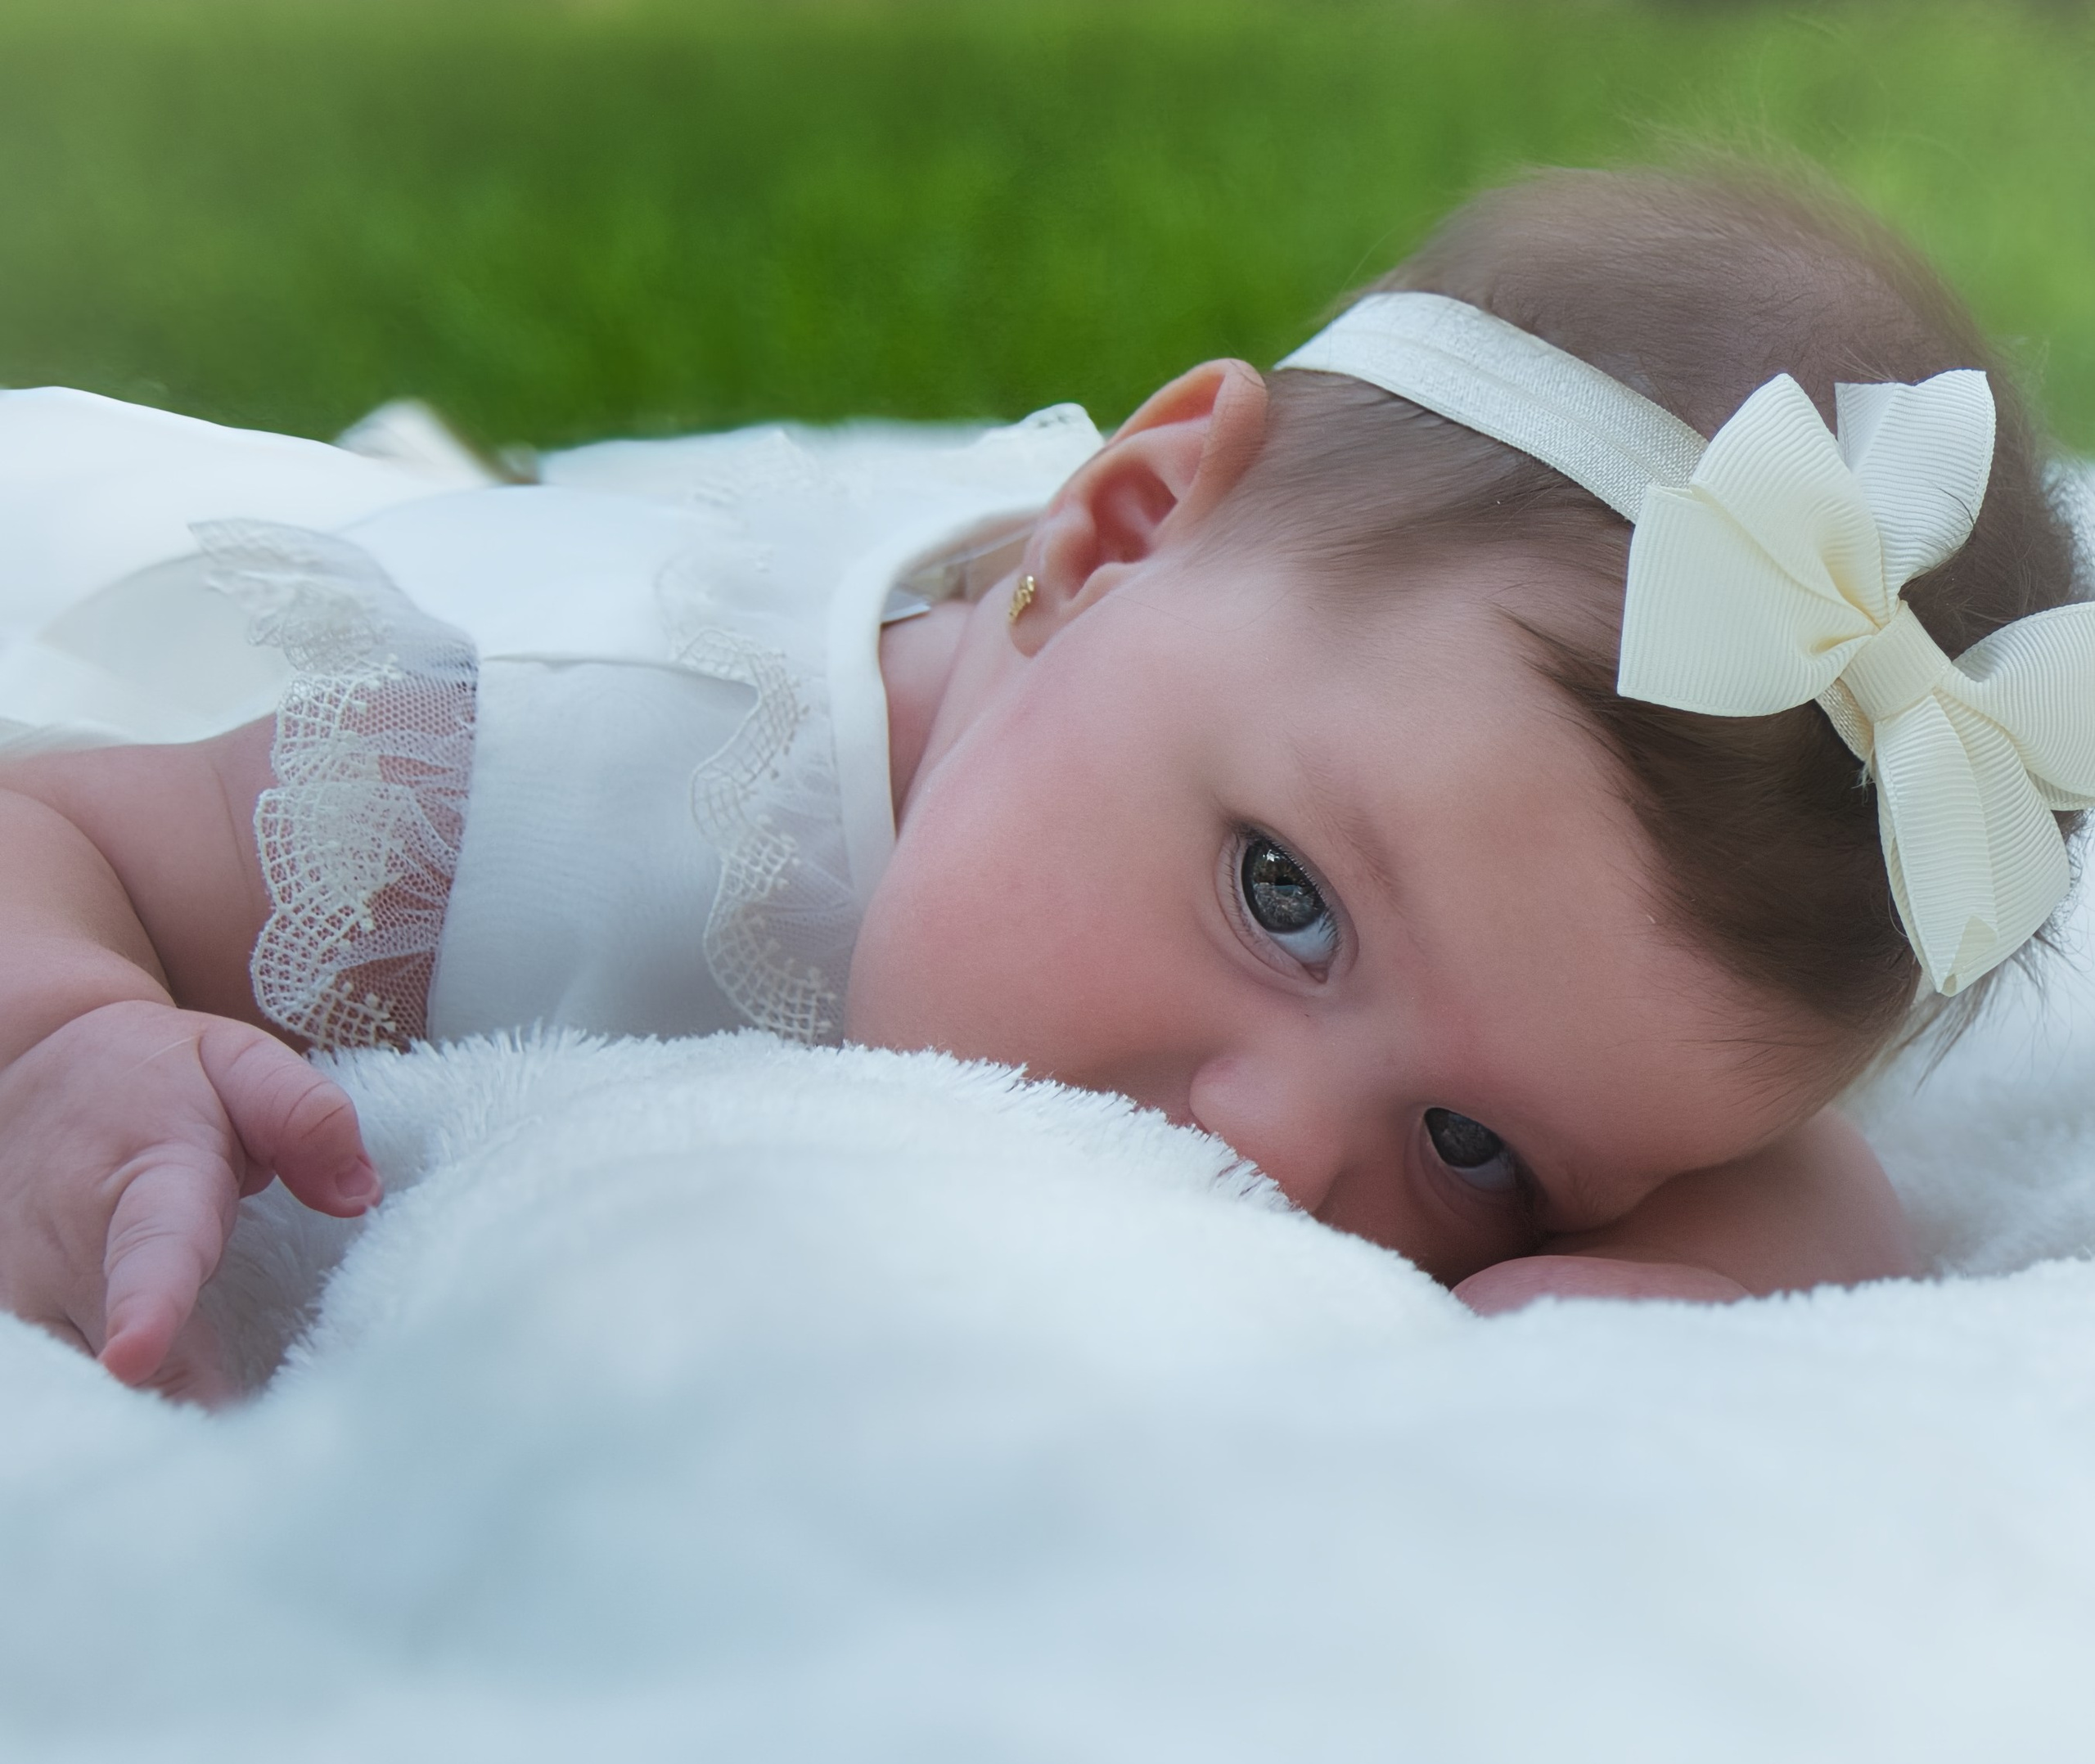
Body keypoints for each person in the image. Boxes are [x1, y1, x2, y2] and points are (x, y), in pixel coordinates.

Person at [2, 165, 2092, 1402]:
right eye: (1282, 897)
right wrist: (77, 1036)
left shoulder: (1379, 820)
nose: (1275, 1154)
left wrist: (1659, 1278)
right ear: (1106, 536)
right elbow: (56, 834)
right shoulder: (518, 772)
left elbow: (1804, 1193)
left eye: (1473, 1145)